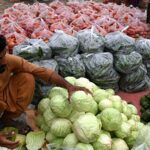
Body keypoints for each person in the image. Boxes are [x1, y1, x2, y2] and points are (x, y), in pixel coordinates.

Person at [0, 35, 91, 149]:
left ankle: (7, 118)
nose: (4, 61)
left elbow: (40, 71)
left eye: (4, 54)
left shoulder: (8, 61)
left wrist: (68, 86)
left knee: (26, 78)